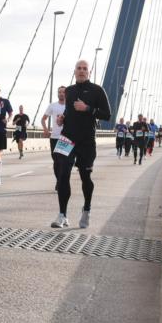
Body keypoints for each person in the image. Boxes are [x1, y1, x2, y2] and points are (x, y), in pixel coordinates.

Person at [50, 60, 110, 229]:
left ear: (89, 72)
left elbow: (107, 115)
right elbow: (69, 111)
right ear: (74, 71)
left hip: (86, 141)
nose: (82, 71)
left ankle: (87, 209)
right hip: (67, 138)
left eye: (85, 69)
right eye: (79, 68)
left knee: (85, 177)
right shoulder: (69, 91)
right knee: (62, 174)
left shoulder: (98, 91)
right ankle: (62, 215)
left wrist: (88, 109)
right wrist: (63, 119)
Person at [41, 85, 67, 187]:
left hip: (66, 138)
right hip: (54, 137)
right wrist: (46, 130)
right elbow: (43, 119)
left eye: (63, 92)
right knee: (56, 161)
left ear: (66, 94)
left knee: (63, 161)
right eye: (59, 92)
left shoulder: (69, 106)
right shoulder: (52, 106)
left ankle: (61, 182)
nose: (61, 93)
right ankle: (59, 180)